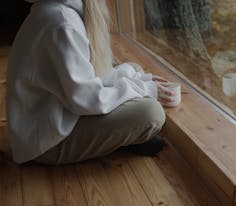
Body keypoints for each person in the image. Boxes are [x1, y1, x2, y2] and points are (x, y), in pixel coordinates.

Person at [6, 0, 176, 165]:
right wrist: (145, 89)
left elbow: (93, 75)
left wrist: (138, 80)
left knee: (133, 69)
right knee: (151, 113)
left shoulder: (60, 10)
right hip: (46, 142)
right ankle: (122, 139)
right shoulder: (63, 22)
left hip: (53, 116)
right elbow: (88, 100)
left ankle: (122, 136)